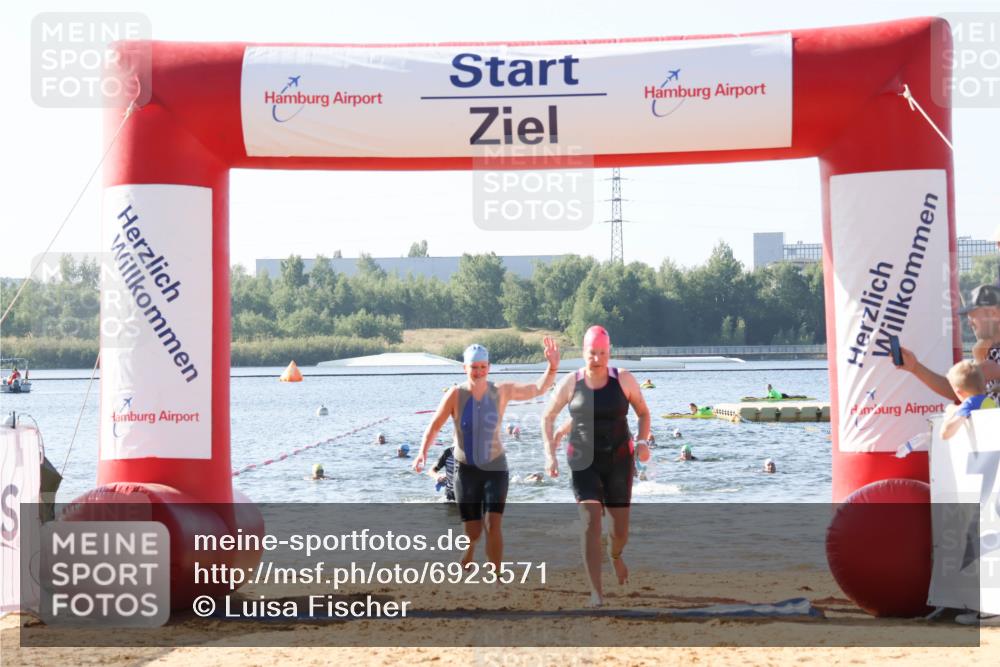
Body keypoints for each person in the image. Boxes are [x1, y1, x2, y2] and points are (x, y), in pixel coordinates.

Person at [414, 338, 561, 570]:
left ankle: (497, 575)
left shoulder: (501, 391)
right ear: (465, 368)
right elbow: (434, 425)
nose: (479, 372)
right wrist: (422, 452)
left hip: (495, 468)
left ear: (489, 367)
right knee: (472, 531)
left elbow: (538, 388)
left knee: (493, 524)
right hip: (466, 471)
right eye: (474, 367)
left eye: (483, 367)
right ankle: (470, 550)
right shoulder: (454, 395)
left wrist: (552, 367)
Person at [542, 325, 650, 607]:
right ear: (583, 353)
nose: (597, 359)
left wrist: (642, 442)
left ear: (609, 352)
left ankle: (615, 555)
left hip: (618, 460)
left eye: (602, 353)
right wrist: (550, 454)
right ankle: (596, 593)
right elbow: (548, 416)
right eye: (592, 353)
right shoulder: (571, 382)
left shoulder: (623, 380)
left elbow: (643, 413)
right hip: (582, 460)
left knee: (620, 532)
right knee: (590, 523)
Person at [898, 284, 1000, 404]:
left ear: (994, 314)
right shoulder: (985, 350)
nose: (969, 323)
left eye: (972, 315)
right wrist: (915, 367)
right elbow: (958, 389)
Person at [939, 360, 998, 440]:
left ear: (958, 392)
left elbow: (945, 434)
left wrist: (950, 416)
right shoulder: (990, 401)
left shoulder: (969, 404)